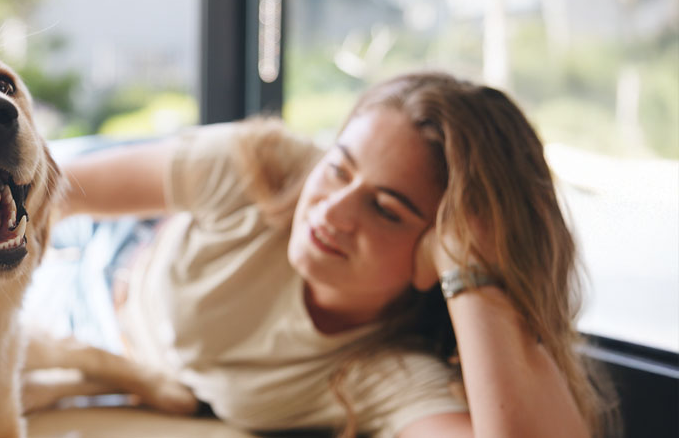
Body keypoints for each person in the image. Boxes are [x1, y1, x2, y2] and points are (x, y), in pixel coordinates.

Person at [55, 72, 617, 437]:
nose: (332, 211)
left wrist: (474, 273)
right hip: (99, 255)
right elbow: (50, 192)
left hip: (122, 365)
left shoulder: (383, 371)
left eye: (387, 209)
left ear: (438, 254)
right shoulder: (257, 166)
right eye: (339, 167)